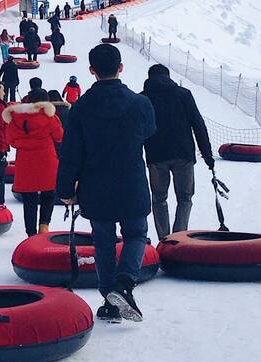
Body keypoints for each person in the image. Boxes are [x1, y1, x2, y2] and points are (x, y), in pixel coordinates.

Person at [56, 44, 156, 323]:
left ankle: (110, 298)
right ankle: (125, 283)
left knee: (103, 241)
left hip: (95, 185)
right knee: (136, 234)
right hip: (132, 181)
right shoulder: (141, 103)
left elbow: (71, 152)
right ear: (121, 67)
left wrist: (65, 190)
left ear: (91, 71)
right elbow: (149, 133)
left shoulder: (81, 107)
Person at [141, 64, 213, 237]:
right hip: (183, 155)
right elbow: (198, 125)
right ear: (168, 76)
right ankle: (179, 238)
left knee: (159, 199)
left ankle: (164, 239)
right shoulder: (183, 95)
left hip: (156, 156)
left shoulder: (143, 99)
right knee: (185, 198)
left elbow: (136, 130)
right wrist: (207, 155)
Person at [4, 88, 64, 236]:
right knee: (48, 194)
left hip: (25, 162)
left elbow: (11, 140)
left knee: (29, 199)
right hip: (47, 161)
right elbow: (59, 136)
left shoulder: (15, 118)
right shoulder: (50, 117)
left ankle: (30, 233)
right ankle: (44, 226)